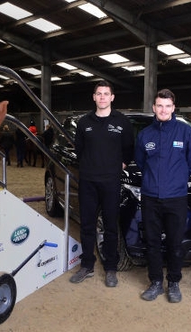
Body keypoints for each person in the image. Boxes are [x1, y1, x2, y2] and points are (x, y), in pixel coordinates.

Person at [135, 88, 191, 303]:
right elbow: (142, 163)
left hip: (176, 197)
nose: (163, 109)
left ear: (173, 108)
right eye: (159, 106)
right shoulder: (145, 134)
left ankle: (173, 282)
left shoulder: (185, 132)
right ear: (154, 108)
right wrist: (154, 182)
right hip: (151, 197)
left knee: (175, 242)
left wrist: (178, 179)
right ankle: (155, 282)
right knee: (152, 242)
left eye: (167, 106)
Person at [69, 80, 134, 288]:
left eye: (106, 93)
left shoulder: (122, 122)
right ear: (94, 97)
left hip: (111, 182)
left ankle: (111, 268)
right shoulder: (84, 122)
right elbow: (79, 149)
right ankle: (87, 265)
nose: (103, 97)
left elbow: (128, 149)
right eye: (99, 93)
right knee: (87, 225)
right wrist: (90, 165)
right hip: (88, 181)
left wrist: (118, 164)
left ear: (112, 97)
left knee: (110, 226)